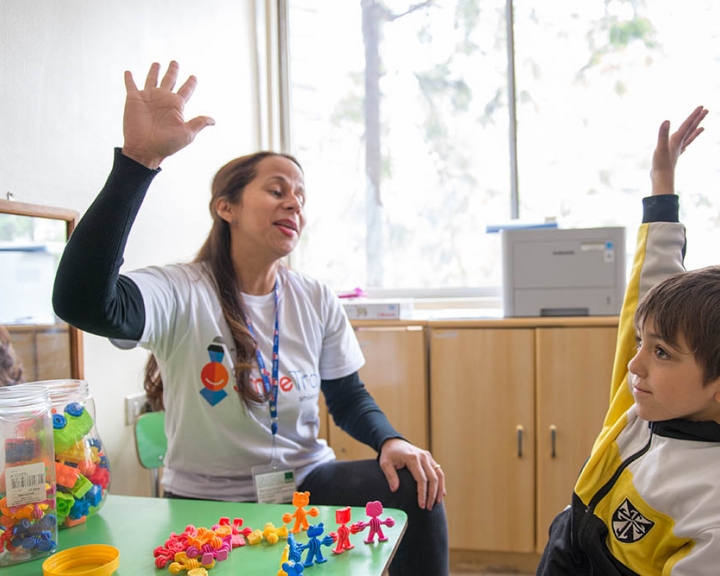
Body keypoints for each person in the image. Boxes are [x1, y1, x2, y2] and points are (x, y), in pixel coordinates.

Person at [52, 61, 448, 575]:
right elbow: (82, 302)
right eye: (278, 189)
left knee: (421, 484)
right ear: (227, 207)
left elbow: (347, 397)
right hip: (205, 499)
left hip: (307, 481)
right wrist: (138, 161)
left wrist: (391, 440)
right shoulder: (180, 290)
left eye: (301, 196)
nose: (294, 204)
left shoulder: (314, 297)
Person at [537, 105, 720, 574]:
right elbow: (653, 286)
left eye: (660, 352)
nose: (633, 365)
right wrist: (662, 186)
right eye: (642, 341)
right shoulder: (648, 399)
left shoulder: (711, 503)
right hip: (566, 544)